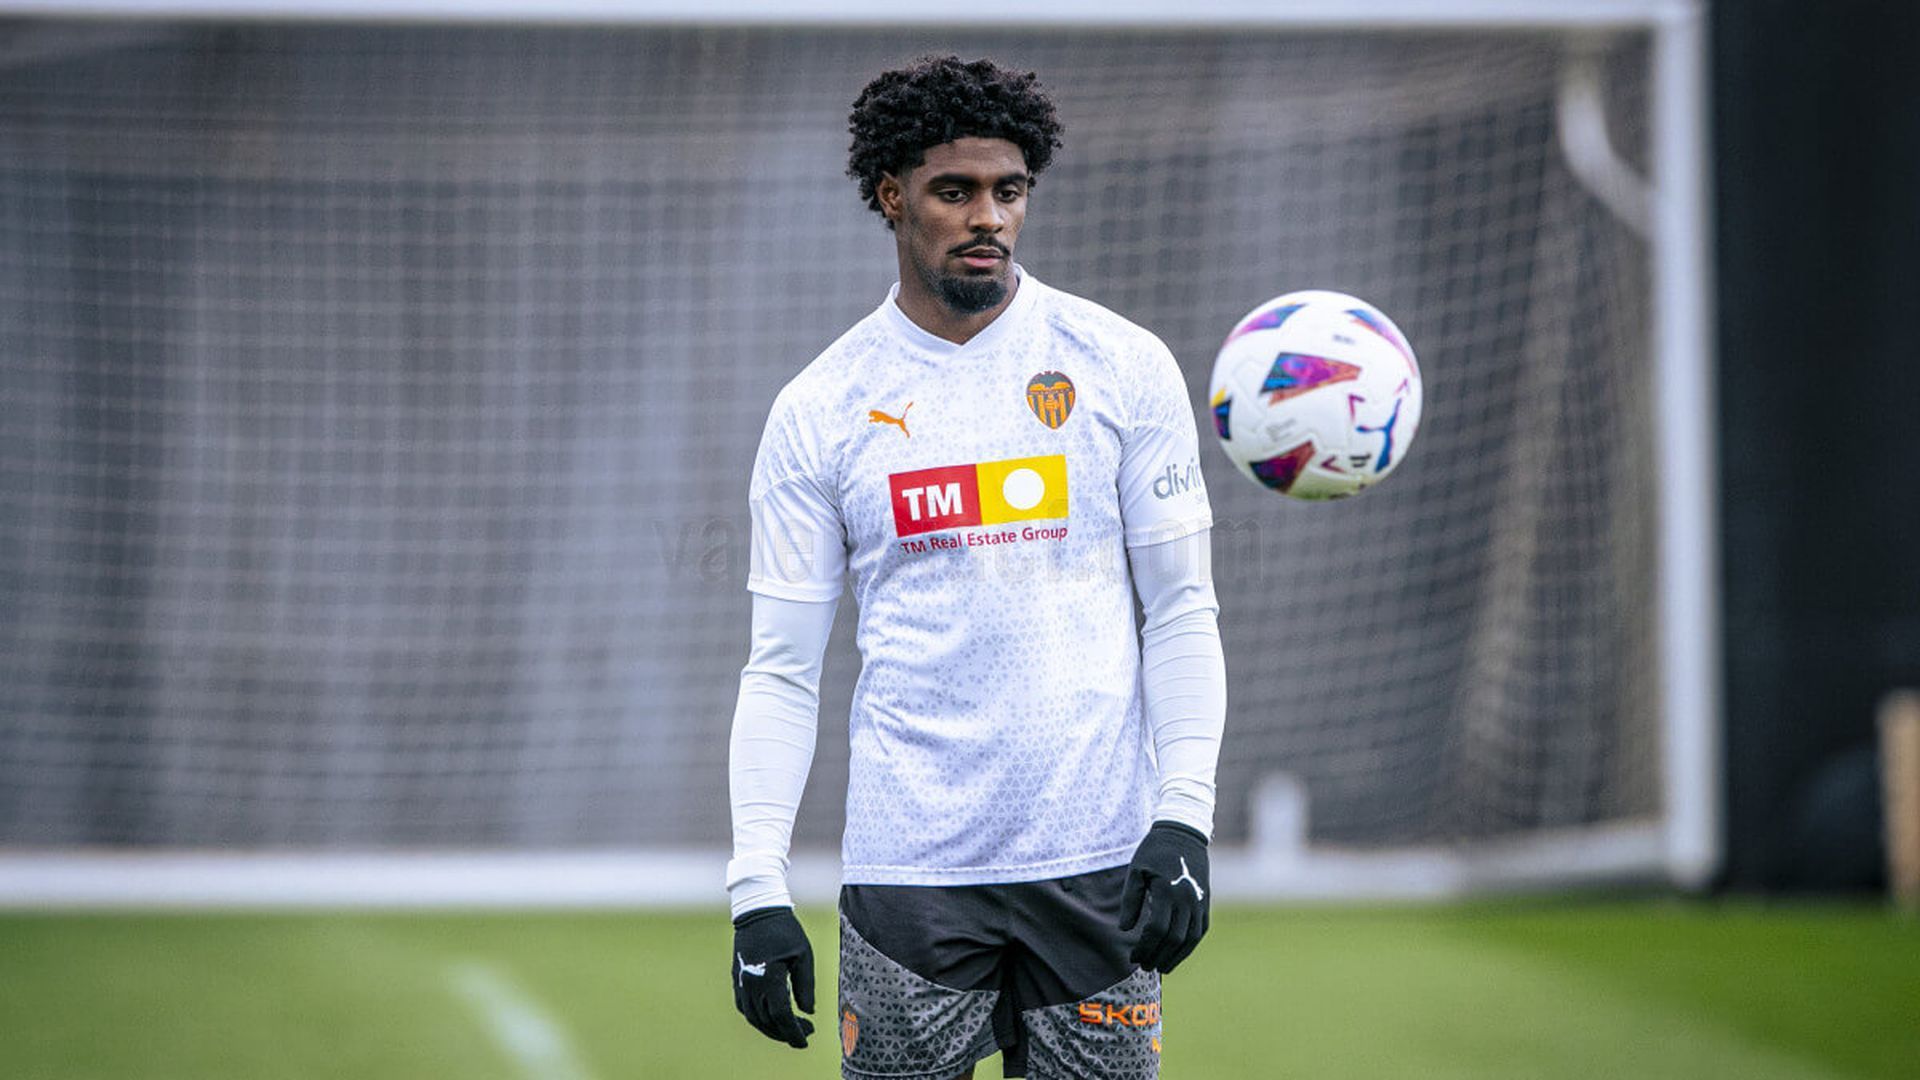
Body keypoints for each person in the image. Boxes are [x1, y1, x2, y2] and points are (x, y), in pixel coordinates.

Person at [727, 55, 1226, 1080]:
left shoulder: (1121, 365)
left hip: (1098, 868)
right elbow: (781, 669)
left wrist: (1183, 818)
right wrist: (756, 887)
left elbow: (1179, 609)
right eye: (955, 191)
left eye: (1009, 191)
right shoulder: (820, 409)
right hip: (911, 876)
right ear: (891, 196)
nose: (987, 217)